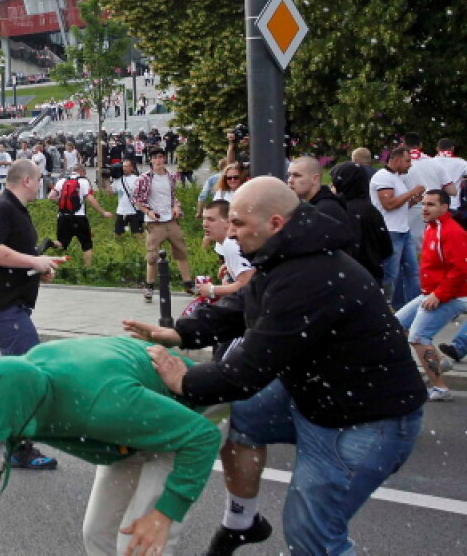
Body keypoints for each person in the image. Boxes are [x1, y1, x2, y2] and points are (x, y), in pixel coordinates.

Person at [129, 176, 425, 556]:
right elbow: (242, 308)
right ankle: (242, 521)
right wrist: (181, 334)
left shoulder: (308, 275)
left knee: (312, 537)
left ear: (275, 224)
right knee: (239, 416)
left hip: (364, 421)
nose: (230, 234)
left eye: (238, 223)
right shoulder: (288, 256)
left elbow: (249, 370)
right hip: (321, 397)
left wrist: (184, 380)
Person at [0, 336, 224, 556]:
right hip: (127, 434)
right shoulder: (4, 373)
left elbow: (201, 437)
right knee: (98, 535)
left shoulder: (103, 404)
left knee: (139, 544)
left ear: (36, 418)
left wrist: (165, 514)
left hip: (186, 419)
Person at [0, 158, 63, 470]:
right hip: (0, 308)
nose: (41, 184)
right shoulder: (1, 208)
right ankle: (18, 448)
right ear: (26, 180)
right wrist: (34, 263)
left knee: (18, 372)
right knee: (27, 376)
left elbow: (18, 257)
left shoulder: (16, 209)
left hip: (9, 305)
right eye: (39, 179)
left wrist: (40, 266)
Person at [393, 188, 467, 401]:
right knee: (395, 325)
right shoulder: (433, 228)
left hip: (450, 296)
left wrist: (440, 295)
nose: (424, 208)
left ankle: (440, 388)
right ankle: (439, 362)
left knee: (418, 336)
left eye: (431, 204)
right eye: (423, 204)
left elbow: (460, 269)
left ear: (444, 207)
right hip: (431, 293)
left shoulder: (451, 232)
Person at [132, 148, 194, 303]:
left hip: (170, 219)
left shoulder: (171, 176)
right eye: (155, 158)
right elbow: (136, 199)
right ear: (151, 160)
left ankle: (188, 283)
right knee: (152, 256)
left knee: (181, 251)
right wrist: (148, 211)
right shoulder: (144, 178)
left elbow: (173, 196)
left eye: (161, 157)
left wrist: (176, 207)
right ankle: (149, 286)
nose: (158, 160)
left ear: (164, 159)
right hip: (155, 221)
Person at [370, 144, 426, 306]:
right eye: (407, 161)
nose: (410, 164)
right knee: (390, 274)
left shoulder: (397, 177)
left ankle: (411, 306)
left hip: (403, 229)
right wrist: (412, 192)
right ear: (396, 160)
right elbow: (388, 205)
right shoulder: (383, 177)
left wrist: (412, 201)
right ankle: (384, 306)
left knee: (412, 272)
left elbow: (397, 206)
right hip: (390, 231)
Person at [329, 161, 392, 281]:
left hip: (351, 278)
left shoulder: (343, 210)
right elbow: (386, 247)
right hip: (373, 275)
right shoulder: (370, 209)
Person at [48, 163, 113, 269]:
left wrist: (63, 202)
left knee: (61, 244)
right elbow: (90, 199)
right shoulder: (83, 181)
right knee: (87, 245)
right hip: (79, 217)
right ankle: (87, 269)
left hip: (63, 217)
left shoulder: (62, 181)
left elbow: (50, 197)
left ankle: (50, 244)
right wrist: (103, 212)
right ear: (82, 171)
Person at [111, 159, 144, 237]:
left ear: (131, 168)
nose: (124, 168)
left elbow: (142, 194)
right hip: (121, 211)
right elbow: (111, 193)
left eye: (126, 166)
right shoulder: (117, 179)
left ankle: (142, 248)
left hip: (134, 211)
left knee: (137, 233)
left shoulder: (137, 179)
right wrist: (107, 180)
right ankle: (117, 248)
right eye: (123, 166)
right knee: (117, 233)